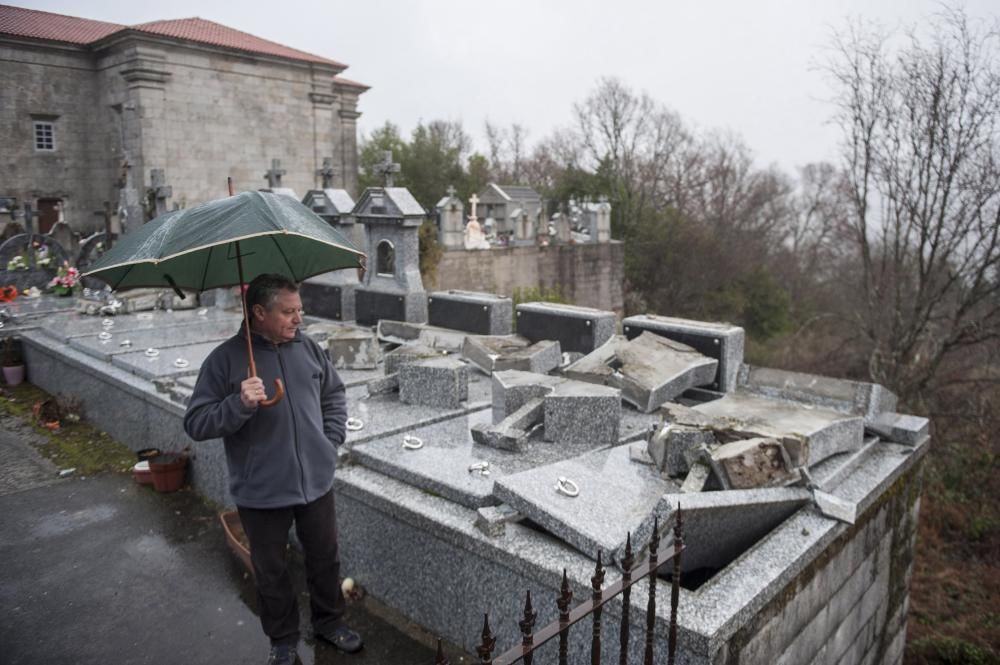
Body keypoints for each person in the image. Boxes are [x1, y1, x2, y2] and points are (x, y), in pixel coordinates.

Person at [184, 274, 362, 665]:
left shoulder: (309, 349)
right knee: (271, 569)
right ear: (259, 313)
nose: (298, 318)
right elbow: (196, 422)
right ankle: (282, 640)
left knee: (324, 557)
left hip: (315, 480)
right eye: (288, 311)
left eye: (299, 310)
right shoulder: (226, 360)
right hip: (261, 488)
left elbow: (334, 394)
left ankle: (329, 623)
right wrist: (238, 404)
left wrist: (329, 441)